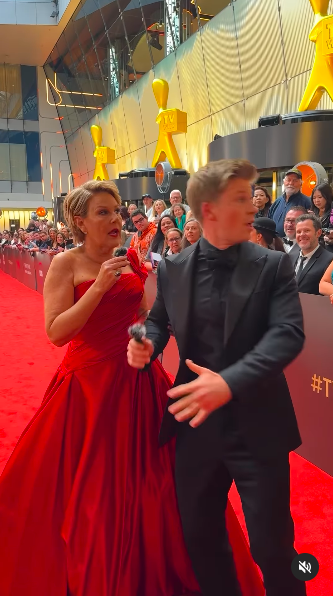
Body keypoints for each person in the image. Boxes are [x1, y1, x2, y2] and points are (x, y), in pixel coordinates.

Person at [0, 178, 263, 596]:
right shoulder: (67, 263)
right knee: (94, 490)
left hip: (140, 385)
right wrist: (100, 286)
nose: (115, 219)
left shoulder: (132, 258)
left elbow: (144, 317)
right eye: (103, 212)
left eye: (117, 210)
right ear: (80, 221)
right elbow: (55, 332)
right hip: (89, 390)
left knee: (163, 484)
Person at [128, 159, 306, 596]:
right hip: (195, 428)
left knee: (275, 549)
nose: (255, 206)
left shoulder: (273, 265)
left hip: (258, 424)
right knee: (201, 539)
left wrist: (227, 382)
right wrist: (146, 346)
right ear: (209, 210)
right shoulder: (173, 268)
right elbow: (157, 322)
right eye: (242, 198)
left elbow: (287, 334)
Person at [289, 213, 333, 295]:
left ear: (318, 233)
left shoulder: (329, 260)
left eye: (307, 230)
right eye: (298, 232)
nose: (302, 235)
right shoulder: (291, 255)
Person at [268, 168, 311, 236]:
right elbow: (269, 222)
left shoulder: (307, 202)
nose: (291, 183)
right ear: (284, 182)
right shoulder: (277, 202)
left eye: (295, 181)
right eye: (288, 180)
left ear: (301, 183)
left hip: (297, 244)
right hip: (275, 243)